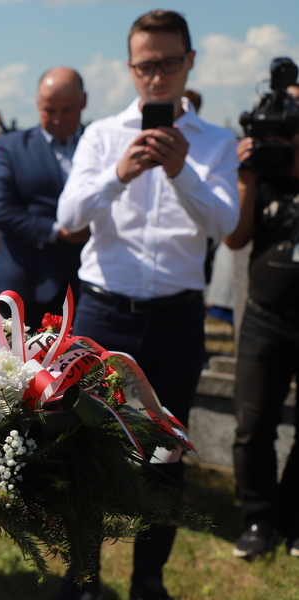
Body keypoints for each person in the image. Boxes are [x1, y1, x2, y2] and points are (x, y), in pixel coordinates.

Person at [56, 11, 239, 600]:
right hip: (105, 314)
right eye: (145, 66)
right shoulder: (104, 135)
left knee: (166, 452)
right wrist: (118, 173)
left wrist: (182, 171)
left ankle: (148, 580)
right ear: (130, 68)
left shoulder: (214, 143)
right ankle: (83, 575)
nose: (157, 78)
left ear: (189, 63)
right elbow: (67, 218)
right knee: (85, 448)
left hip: (178, 318)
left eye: (168, 64)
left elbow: (226, 223)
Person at [225, 81, 299, 561]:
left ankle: (294, 517)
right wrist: (246, 179)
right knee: (252, 424)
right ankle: (257, 517)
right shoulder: (263, 171)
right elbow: (234, 238)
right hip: (265, 316)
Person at [0, 67, 89, 332]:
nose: (57, 119)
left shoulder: (100, 144)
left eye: (67, 110)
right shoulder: (12, 146)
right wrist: (56, 231)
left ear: (83, 103)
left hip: (88, 287)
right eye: (48, 110)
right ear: (37, 103)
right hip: (26, 286)